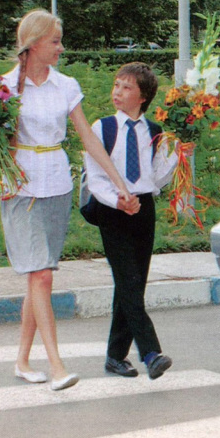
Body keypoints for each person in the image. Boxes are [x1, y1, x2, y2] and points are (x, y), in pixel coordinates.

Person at [0, 9, 135, 391]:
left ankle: (21, 360)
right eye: (54, 41)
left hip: (56, 186)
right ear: (33, 44)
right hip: (20, 188)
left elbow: (87, 138)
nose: (60, 47)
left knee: (39, 277)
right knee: (43, 275)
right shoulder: (3, 86)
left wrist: (118, 182)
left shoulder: (66, 85)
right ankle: (56, 366)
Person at [83, 62, 179, 380]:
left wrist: (180, 152)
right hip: (112, 209)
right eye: (116, 85)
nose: (117, 92)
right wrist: (118, 200)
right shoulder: (103, 128)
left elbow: (159, 176)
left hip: (143, 209)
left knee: (133, 283)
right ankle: (151, 353)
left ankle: (114, 356)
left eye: (126, 87)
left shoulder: (155, 132)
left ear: (143, 96)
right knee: (129, 282)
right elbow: (95, 177)